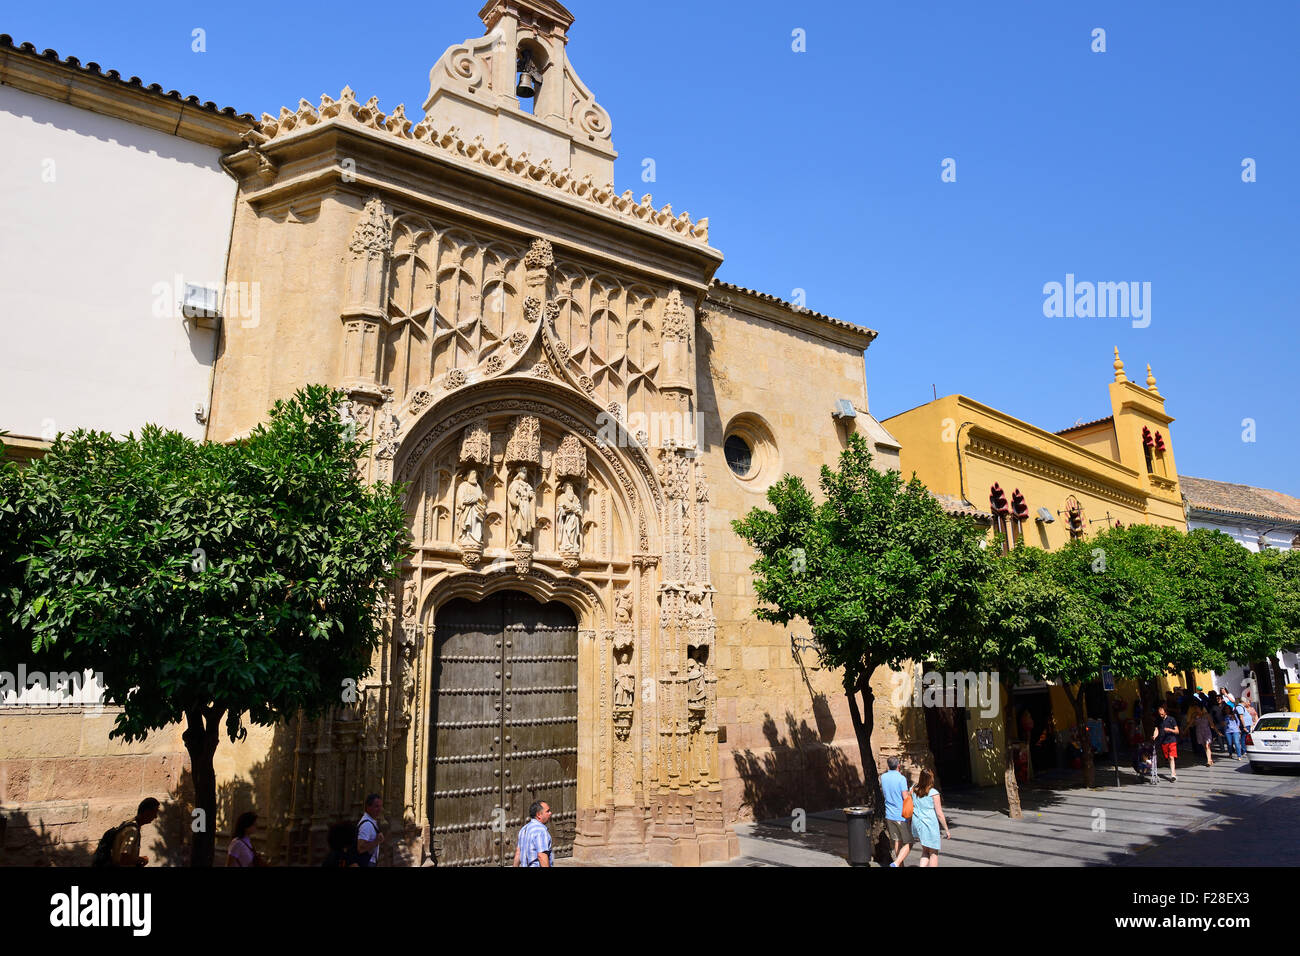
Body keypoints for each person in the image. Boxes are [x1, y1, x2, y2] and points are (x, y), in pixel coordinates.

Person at [909, 769, 950, 867]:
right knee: (933, 853)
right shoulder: (933, 793)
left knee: (925, 851)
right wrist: (946, 829)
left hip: (917, 823)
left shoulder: (913, 789)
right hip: (929, 824)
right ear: (931, 779)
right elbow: (939, 813)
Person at [879, 757, 913, 867]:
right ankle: (897, 863)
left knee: (897, 841)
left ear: (888, 766)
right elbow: (905, 796)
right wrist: (910, 792)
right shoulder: (901, 778)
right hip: (900, 815)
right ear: (898, 765)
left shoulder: (883, 777)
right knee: (909, 842)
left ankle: (899, 865)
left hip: (889, 814)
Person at [514, 800, 553, 867]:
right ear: (538, 815)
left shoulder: (524, 829)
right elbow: (542, 855)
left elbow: (518, 853)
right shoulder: (541, 830)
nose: (550, 813)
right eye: (547, 811)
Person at [1152, 705, 1179, 782]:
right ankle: (1173, 772)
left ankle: (1173, 774)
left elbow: (1177, 731)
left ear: (1165, 712)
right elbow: (1156, 729)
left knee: (1171, 757)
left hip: (1172, 740)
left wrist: (1170, 730)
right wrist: (1154, 736)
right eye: (1159, 714)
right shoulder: (1158, 720)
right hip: (1163, 741)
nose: (1161, 715)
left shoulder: (1171, 719)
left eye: (1162, 714)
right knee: (1168, 758)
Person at [356, 793, 384, 867]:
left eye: (381, 806)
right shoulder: (366, 825)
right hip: (367, 862)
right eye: (376, 806)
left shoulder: (372, 821)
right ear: (368, 807)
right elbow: (360, 848)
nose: (380, 809)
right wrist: (376, 841)